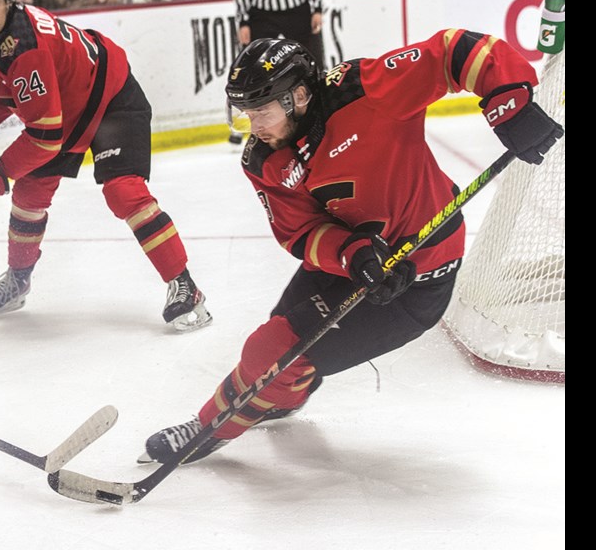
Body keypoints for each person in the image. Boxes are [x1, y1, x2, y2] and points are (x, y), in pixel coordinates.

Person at [137, 30, 564, 464]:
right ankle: (281, 397)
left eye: (262, 111)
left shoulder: (364, 90)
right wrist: (350, 253)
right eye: (247, 113)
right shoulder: (264, 161)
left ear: (299, 95)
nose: (255, 126)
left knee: (275, 350)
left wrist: (508, 99)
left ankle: (208, 427)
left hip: (416, 280)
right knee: (281, 346)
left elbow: (456, 50)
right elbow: (299, 232)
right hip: (354, 259)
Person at [0, 0, 212, 332]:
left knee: (123, 191)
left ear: (9, 1)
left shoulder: (23, 43)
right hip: (69, 110)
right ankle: (19, 279)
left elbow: (45, 139)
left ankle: (185, 287)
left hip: (111, 98)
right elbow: (9, 90)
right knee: (29, 193)